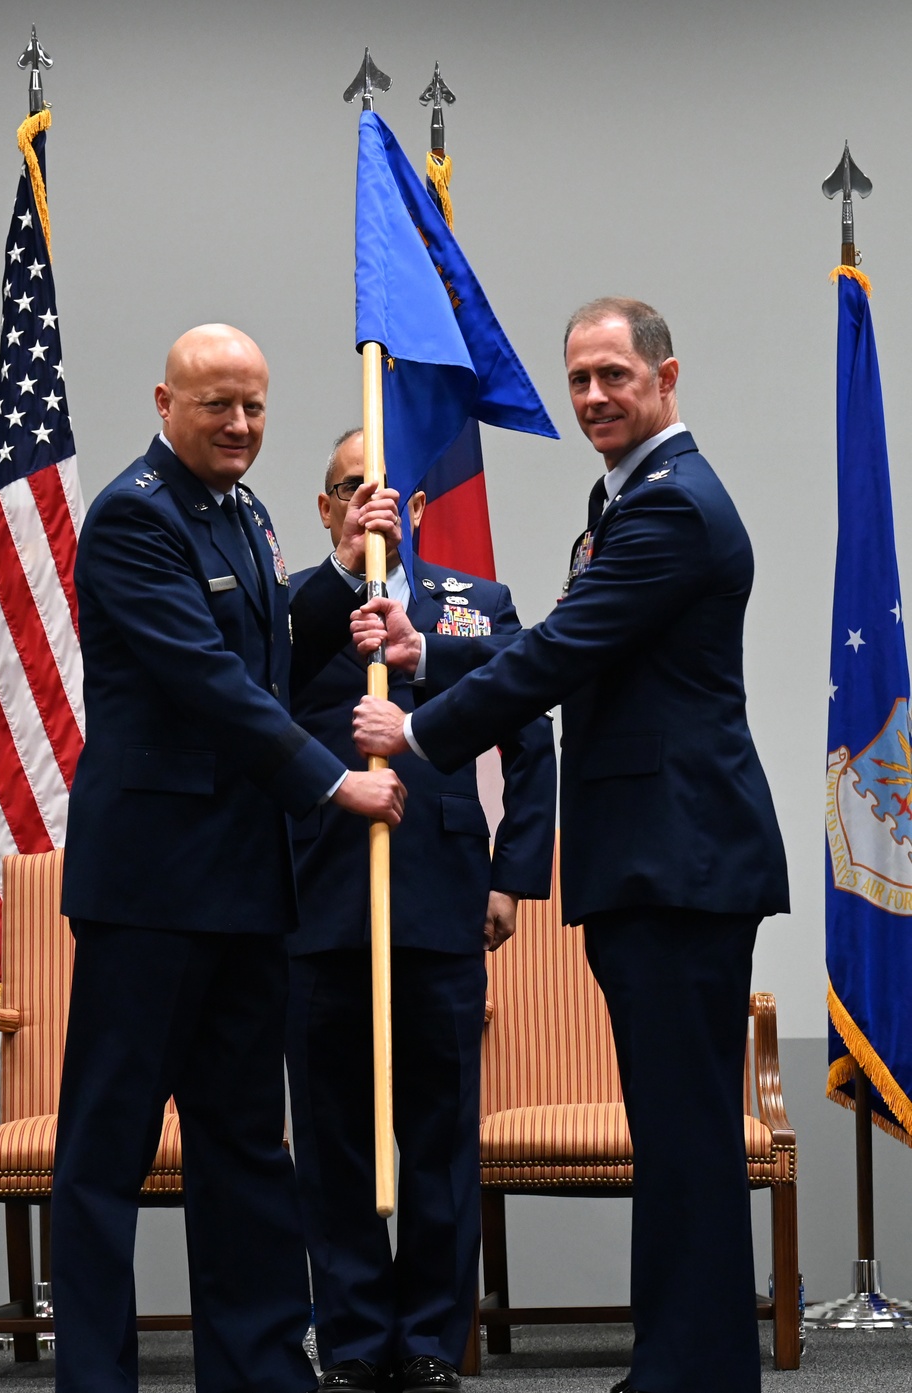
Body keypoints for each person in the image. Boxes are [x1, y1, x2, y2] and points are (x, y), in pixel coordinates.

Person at [350, 299, 790, 1393]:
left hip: (678, 858)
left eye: (613, 375)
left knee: (684, 1140)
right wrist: (426, 657)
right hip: (655, 857)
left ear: (664, 375)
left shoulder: (672, 508)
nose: (594, 396)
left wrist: (417, 726)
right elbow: (566, 649)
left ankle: (690, 1375)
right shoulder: (628, 501)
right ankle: (683, 1367)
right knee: (672, 1136)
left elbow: (558, 653)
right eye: (579, 378)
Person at [53, 325, 406, 1393]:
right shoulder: (132, 517)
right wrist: (332, 781)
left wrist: (346, 569)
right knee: (108, 1155)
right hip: (151, 891)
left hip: (248, 885)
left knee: (247, 1144)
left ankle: (257, 1372)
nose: (241, 424)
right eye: (217, 404)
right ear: (166, 400)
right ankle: (99, 1380)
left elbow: (267, 651)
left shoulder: (246, 512)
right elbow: (210, 683)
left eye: (254, 404)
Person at [284, 429, 556, 1393]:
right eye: (349, 488)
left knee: (441, 1134)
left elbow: (528, 739)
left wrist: (513, 875)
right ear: (324, 508)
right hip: (317, 902)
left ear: (420, 509)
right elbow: (254, 708)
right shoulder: (291, 609)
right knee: (334, 1135)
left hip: (443, 897)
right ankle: (355, 1339)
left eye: (385, 490)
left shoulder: (475, 609)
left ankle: (435, 1340)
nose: (369, 502)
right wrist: (346, 574)